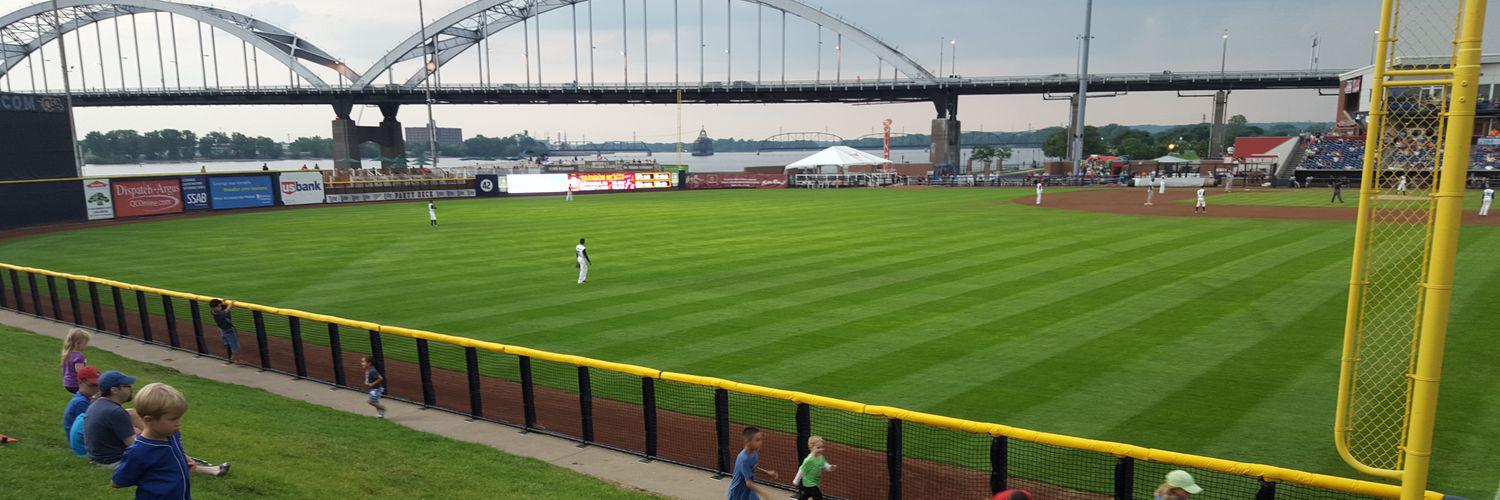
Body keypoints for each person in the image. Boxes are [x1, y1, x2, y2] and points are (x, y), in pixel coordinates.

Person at [109, 383, 194, 498]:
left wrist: (183, 465)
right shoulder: (139, 451)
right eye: (173, 419)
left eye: (179, 417)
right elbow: (117, 482)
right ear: (149, 420)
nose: (179, 423)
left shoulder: (172, 434)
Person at [84, 370, 139, 468]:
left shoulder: (95, 405)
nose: (131, 389)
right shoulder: (116, 412)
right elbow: (135, 447)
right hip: (113, 462)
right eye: (127, 386)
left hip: (96, 460)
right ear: (114, 390)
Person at [727, 426, 777, 500]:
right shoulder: (743, 459)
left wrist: (767, 472)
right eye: (757, 440)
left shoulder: (755, 452)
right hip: (738, 494)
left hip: (748, 492)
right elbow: (749, 483)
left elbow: (753, 467)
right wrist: (764, 494)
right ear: (748, 442)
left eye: (761, 439)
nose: (761, 442)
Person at [793, 436, 836, 500]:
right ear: (811, 448)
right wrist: (796, 480)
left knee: (807, 494)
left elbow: (824, 464)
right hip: (809, 483)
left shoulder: (820, 457)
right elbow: (802, 470)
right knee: (818, 497)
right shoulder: (809, 460)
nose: (821, 449)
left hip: (816, 482)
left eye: (822, 447)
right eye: (818, 448)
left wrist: (830, 467)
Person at [64, 366, 101, 439]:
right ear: (80, 382)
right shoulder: (81, 402)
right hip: (81, 442)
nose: (96, 389)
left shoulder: (83, 397)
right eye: (92, 385)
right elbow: (89, 427)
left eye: (98, 385)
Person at [208, 299, 241, 365]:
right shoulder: (220, 314)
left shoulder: (212, 311)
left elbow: (223, 308)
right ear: (215, 307)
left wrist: (222, 302)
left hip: (223, 330)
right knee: (235, 345)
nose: (220, 307)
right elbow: (227, 310)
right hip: (229, 330)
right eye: (219, 306)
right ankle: (237, 361)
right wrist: (232, 303)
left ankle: (232, 357)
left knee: (228, 343)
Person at [61, 328, 91, 393]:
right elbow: (81, 373)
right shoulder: (79, 357)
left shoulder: (67, 353)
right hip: (75, 384)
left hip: (67, 383)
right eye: (85, 343)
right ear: (78, 343)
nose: (86, 346)